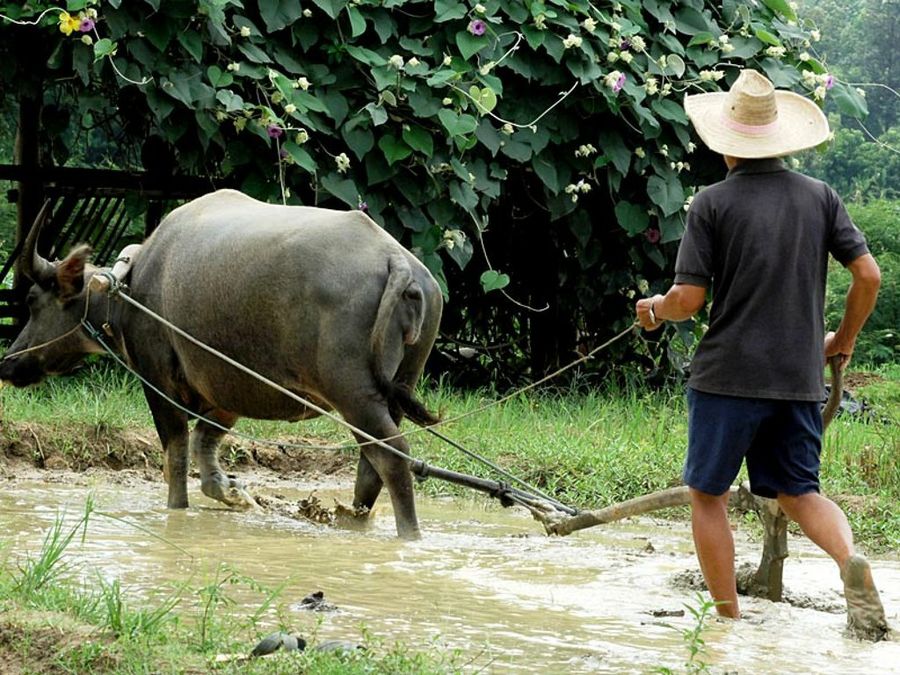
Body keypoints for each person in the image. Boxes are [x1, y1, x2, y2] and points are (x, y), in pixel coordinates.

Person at [634, 69, 889, 640]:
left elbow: (689, 300)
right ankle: (849, 559)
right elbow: (867, 275)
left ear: (726, 141)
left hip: (727, 376)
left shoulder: (711, 203)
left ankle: (725, 624)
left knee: (708, 496)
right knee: (801, 493)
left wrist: (654, 306)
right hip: (798, 378)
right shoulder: (821, 198)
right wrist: (841, 341)